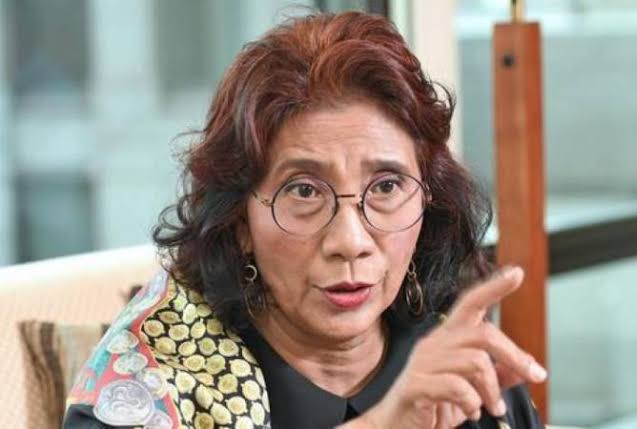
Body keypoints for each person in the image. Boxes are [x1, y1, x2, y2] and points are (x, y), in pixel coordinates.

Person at [63, 11, 547, 429]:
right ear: (239, 219)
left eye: (386, 187)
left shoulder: (458, 368)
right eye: (305, 192)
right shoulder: (142, 388)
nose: (350, 241)